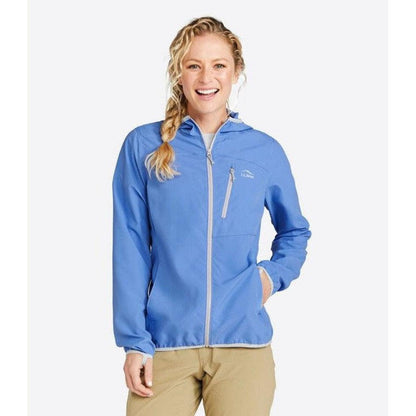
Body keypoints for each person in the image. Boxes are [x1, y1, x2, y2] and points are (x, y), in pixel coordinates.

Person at [112, 16, 312, 416]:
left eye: (219, 65)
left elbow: (295, 232)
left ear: (236, 71)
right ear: (178, 73)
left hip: (243, 346)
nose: (207, 78)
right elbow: (129, 244)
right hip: (165, 345)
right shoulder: (143, 145)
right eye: (194, 65)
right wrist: (135, 342)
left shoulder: (264, 151)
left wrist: (269, 278)